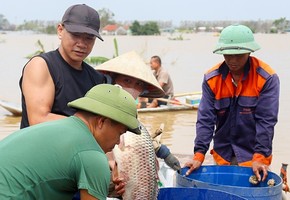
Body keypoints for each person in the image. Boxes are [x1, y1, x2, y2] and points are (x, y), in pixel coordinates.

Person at [0, 84, 141, 199]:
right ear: (101, 122)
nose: (118, 142)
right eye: (120, 133)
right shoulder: (92, 155)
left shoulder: (53, 127)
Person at [184, 24, 280, 183]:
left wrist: (260, 157)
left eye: (239, 55)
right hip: (223, 155)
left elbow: (266, 121)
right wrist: (199, 154)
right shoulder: (211, 79)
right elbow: (206, 120)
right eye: (228, 55)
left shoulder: (266, 78)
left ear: (249, 52)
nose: (233, 60)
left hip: (253, 157)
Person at [19, 4, 108, 129]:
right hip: (39, 147)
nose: (82, 44)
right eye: (76, 35)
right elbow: (39, 119)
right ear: (60, 30)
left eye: (89, 38)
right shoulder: (42, 66)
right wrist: (90, 125)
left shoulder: (97, 78)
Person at [96, 51, 181, 172]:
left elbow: (138, 138)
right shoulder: (101, 107)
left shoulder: (130, 111)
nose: (132, 88)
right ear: (114, 80)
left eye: (138, 84)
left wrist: (163, 152)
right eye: (127, 81)